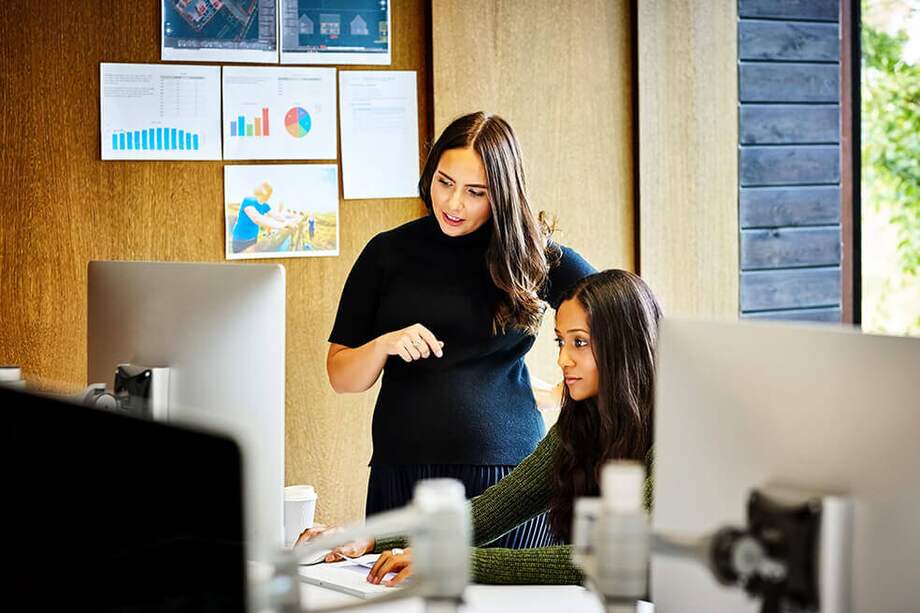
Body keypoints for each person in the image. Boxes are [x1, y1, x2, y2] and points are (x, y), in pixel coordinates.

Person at [319, 112, 596, 549]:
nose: (453, 204)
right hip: (402, 477)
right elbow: (341, 375)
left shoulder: (531, 254)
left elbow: (623, 323)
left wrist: (561, 390)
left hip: (508, 482)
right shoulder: (387, 253)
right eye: (445, 182)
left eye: (475, 192)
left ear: (502, 195)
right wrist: (383, 345)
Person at [230, 182, 299, 253]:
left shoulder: (265, 205)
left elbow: (277, 216)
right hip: (240, 240)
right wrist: (283, 224)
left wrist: (289, 221)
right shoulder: (248, 201)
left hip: (253, 238)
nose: (269, 196)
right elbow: (257, 219)